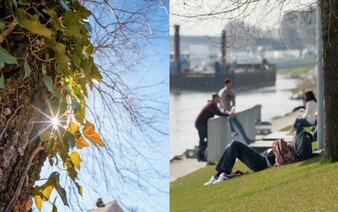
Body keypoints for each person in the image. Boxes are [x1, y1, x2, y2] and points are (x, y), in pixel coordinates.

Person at [204, 140, 275, 186]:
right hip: (262, 157)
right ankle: (218, 175)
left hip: (263, 162)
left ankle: (226, 174)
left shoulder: (285, 150)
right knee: (230, 146)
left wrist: (273, 149)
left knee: (234, 143)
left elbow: (280, 159)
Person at [195, 93, 232, 161]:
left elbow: (218, 112)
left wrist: (227, 113)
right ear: (215, 98)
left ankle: (200, 154)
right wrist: (228, 114)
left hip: (201, 124)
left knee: (204, 139)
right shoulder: (211, 105)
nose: (220, 99)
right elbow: (218, 113)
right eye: (219, 98)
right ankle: (200, 152)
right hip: (200, 124)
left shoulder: (213, 104)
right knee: (208, 138)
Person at [218, 78, 255, 144]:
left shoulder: (232, 92)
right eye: (230, 84)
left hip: (230, 110)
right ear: (226, 84)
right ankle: (233, 131)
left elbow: (234, 104)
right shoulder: (222, 93)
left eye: (231, 84)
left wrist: (232, 110)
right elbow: (224, 105)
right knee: (230, 117)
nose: (231, 85)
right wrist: (230, 112)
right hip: (222, 109)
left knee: (239, 124)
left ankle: (247, 139)